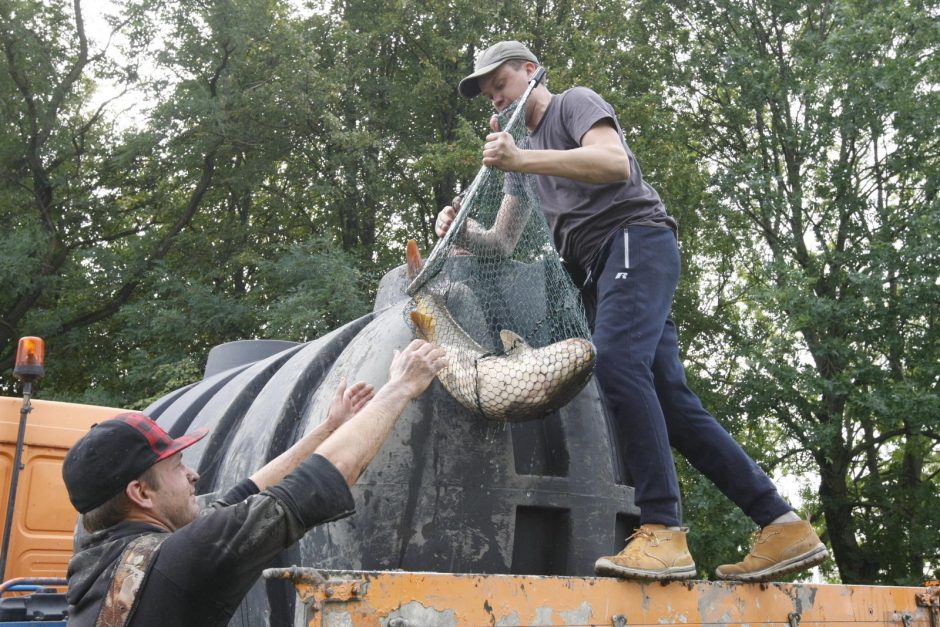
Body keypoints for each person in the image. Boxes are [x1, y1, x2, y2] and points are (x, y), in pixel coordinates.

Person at [436, 40, 828, 581]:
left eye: (499, 84)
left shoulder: (573, 103)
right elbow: (503, 241)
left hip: (635, 242)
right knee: (672, 406)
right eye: (487, 96)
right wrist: (464, 232)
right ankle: (780, 523)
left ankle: (663, 529)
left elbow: (612, 161)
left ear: (529, 72)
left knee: (618, 366)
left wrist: (521, 157)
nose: (495, 100)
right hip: (602, 271)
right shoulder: (519, 157)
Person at [62, 339, 446, 626]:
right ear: (140, 493)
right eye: (177, 466)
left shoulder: (100, 556)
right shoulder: (179, 562)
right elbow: (316, 483)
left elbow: (240, 497)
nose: (193, 474)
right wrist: (401, 387)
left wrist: (328, 428)